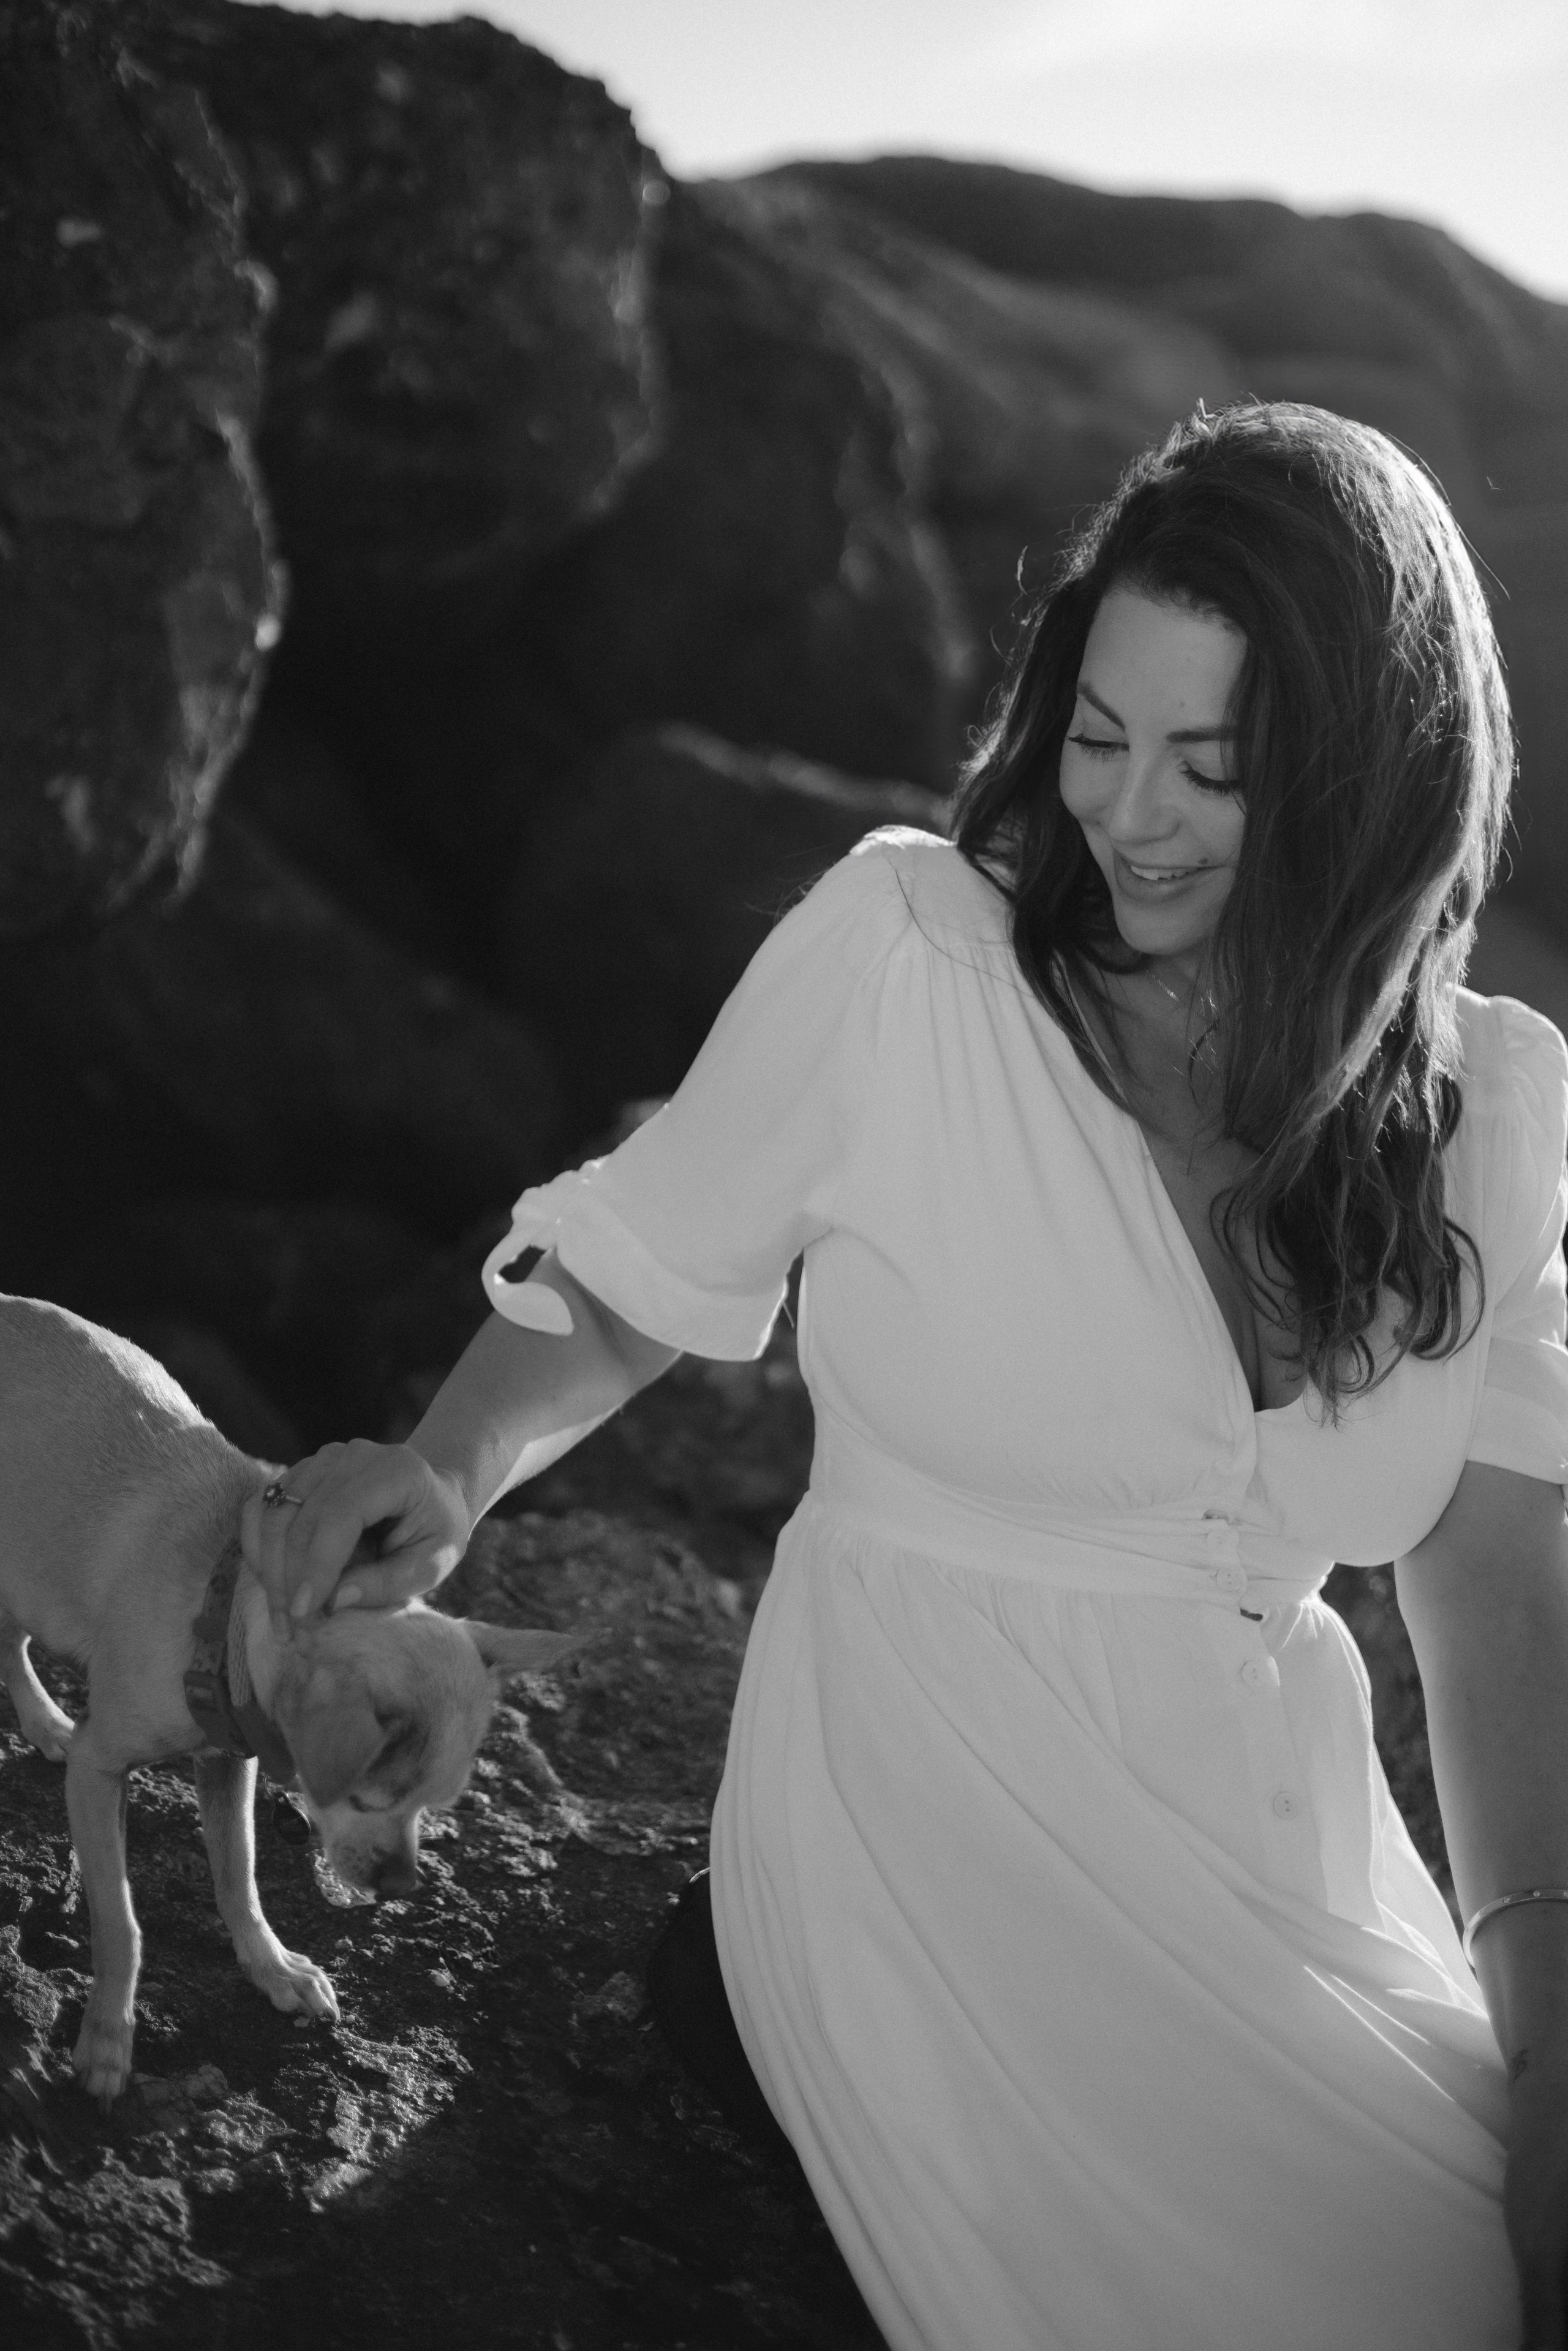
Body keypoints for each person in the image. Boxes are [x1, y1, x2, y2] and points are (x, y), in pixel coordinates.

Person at [242, 401, 1568, 2351]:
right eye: (1101, 739)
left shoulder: (1494, 1109)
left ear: (1378, 779)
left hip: (1278, 1868)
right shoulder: (910, 955)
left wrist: (1547, 2046)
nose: (1127, 815)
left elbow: (1500, 1592)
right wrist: (450, 1473)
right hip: (917, 1802)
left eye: (1216, 765)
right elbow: (638, 1267)